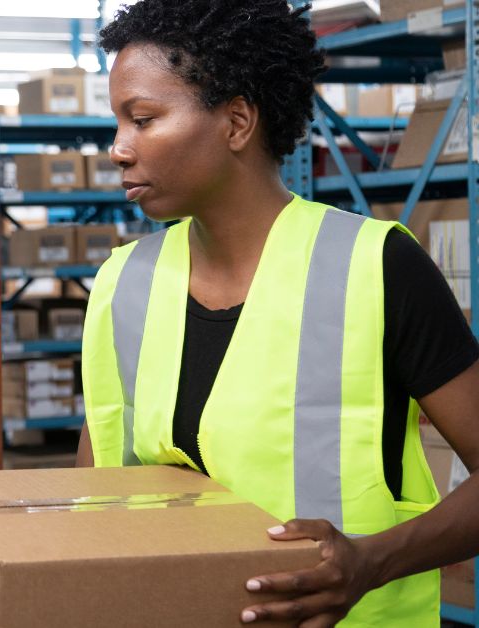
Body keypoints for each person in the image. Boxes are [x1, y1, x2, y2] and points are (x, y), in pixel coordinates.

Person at [76, 1, 479, 625]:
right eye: (118, 123)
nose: (118, 150)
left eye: (144, 119)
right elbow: (95, 484)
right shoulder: (121, 284)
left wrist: (371, 563)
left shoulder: (374, 266)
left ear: (237, 121)